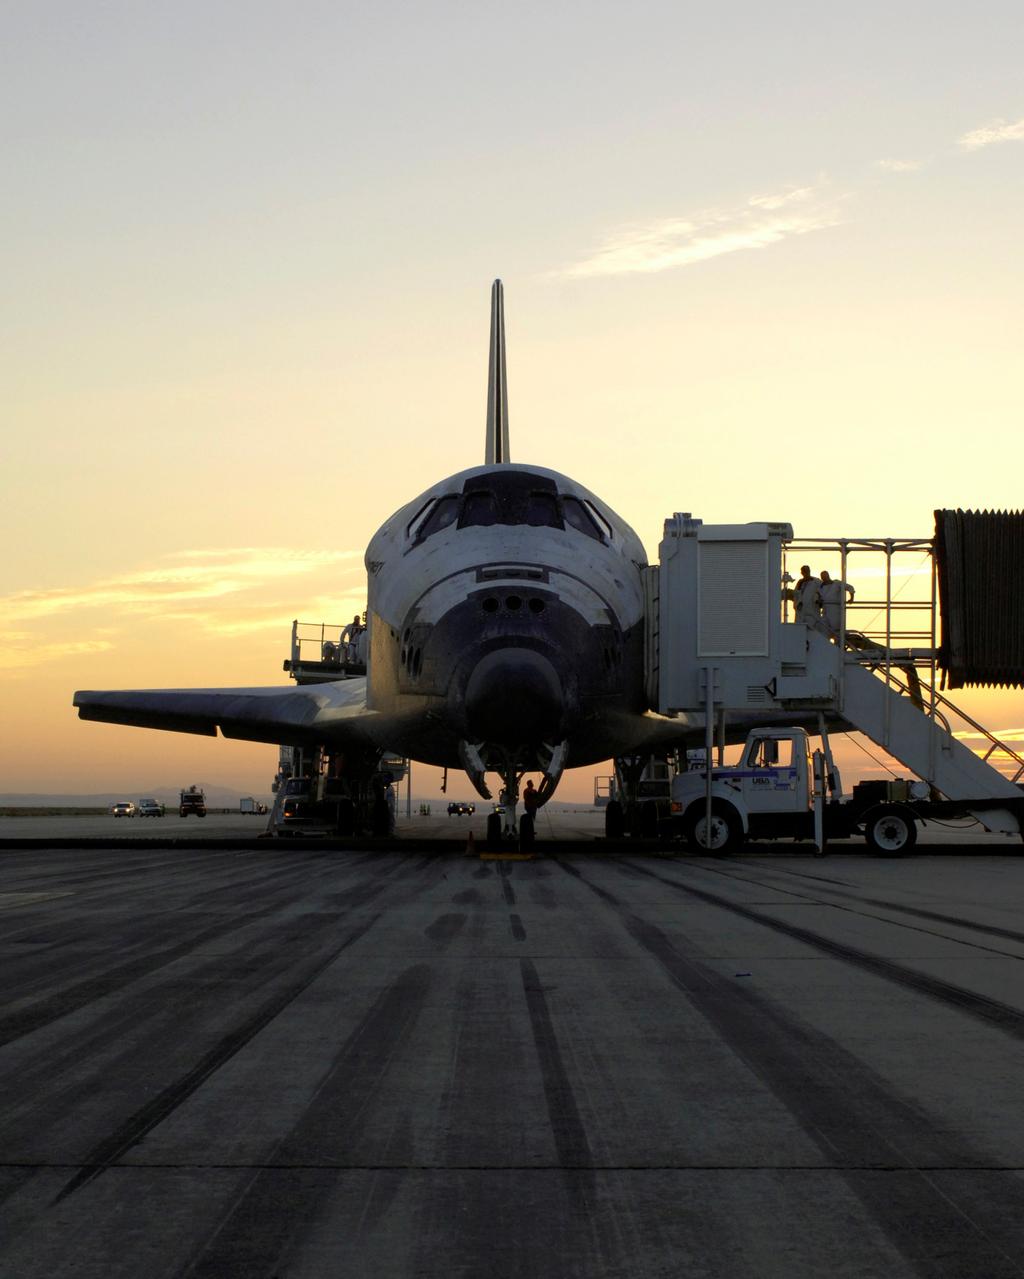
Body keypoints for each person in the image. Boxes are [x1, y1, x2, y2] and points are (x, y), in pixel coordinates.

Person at [819, 570, 855, 639]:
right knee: (824, 630)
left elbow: (850, 587)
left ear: (828, 576)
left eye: (825, 577)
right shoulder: (821, 587)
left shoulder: (837, 584)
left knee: (837, 632)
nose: (824, 579)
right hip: (825, 612)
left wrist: (851, 598)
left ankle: (838, 643)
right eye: (822, 577)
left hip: (835, 613)